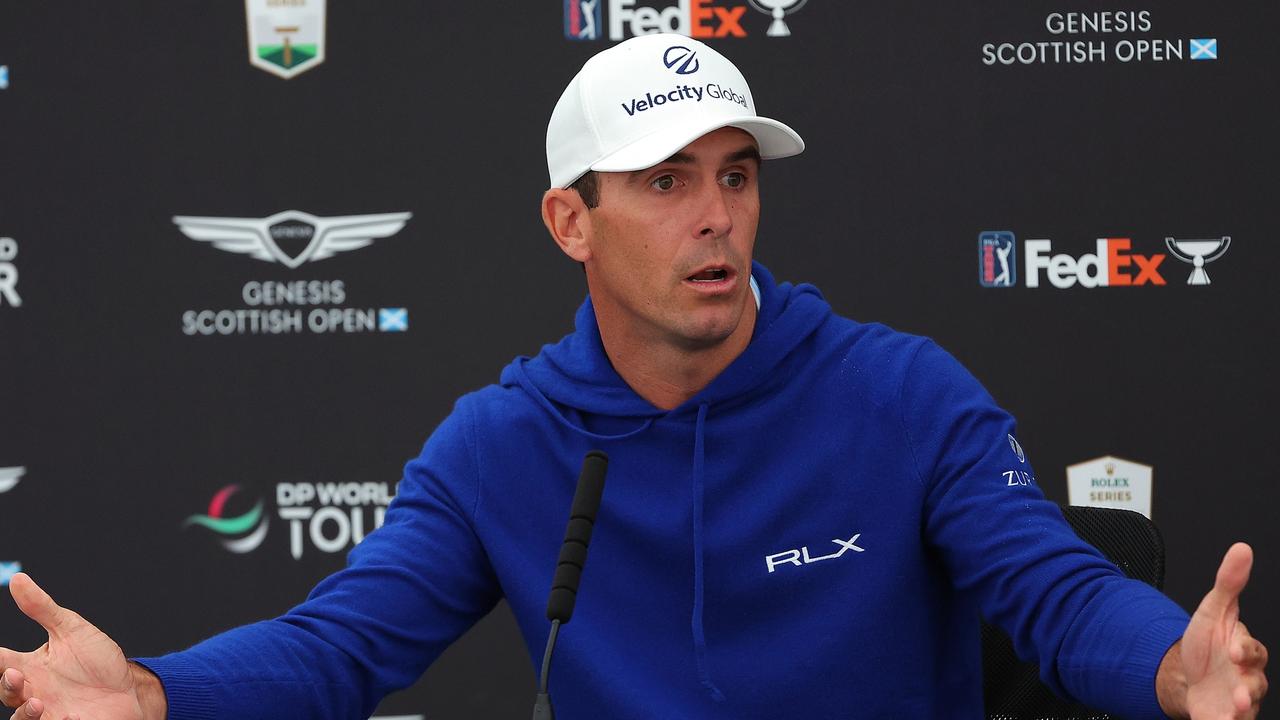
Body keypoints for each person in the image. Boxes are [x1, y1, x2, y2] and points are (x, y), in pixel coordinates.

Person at [1, 33, 1268, 720]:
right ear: (570, 222)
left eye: (733, 174)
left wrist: (1171, 668)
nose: (713, 216)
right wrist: (159, 696)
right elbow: (339, 649)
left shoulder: (904, 395)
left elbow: (1054, 594)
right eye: (663, 183)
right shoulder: (503, 442)